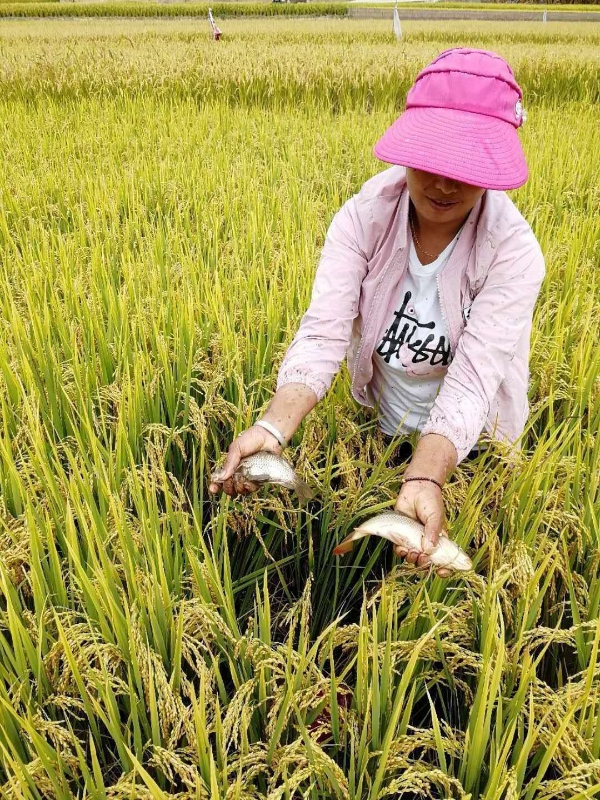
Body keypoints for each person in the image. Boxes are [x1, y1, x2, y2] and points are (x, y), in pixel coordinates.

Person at [208, 48, 545, 578]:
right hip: (386, 424)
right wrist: (272, 427)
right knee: (375, 572)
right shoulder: (363, 220)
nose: (444, 183)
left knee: (449, 581)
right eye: (431, 158)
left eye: (468, 166)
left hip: (473, 443)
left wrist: (429, 476)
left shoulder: (513, 253)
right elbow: (323, 334)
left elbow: (475, 378)